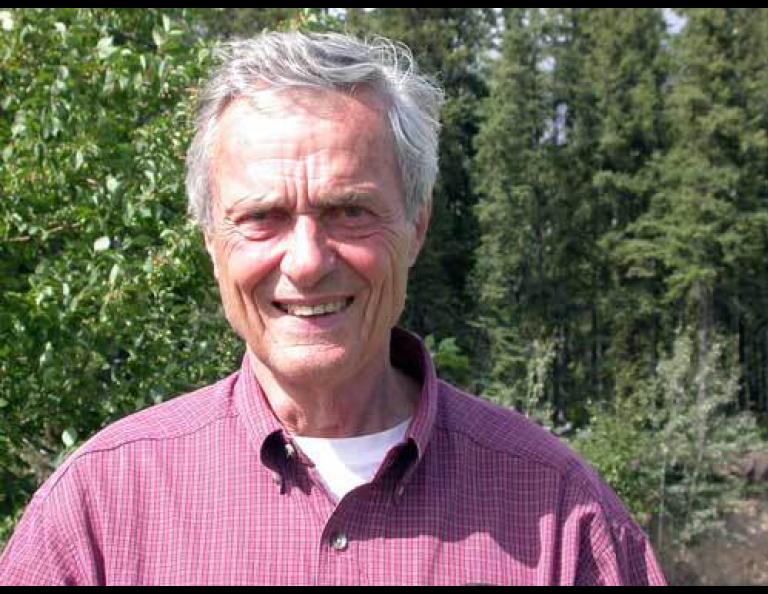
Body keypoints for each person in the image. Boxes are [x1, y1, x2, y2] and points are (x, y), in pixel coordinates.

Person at [0, 32, 666, 586]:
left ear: (418, 227)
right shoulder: (101, 509)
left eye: (350, 211)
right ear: (211, 243)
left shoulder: (561, 513)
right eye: (262, 218)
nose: (308, 260)